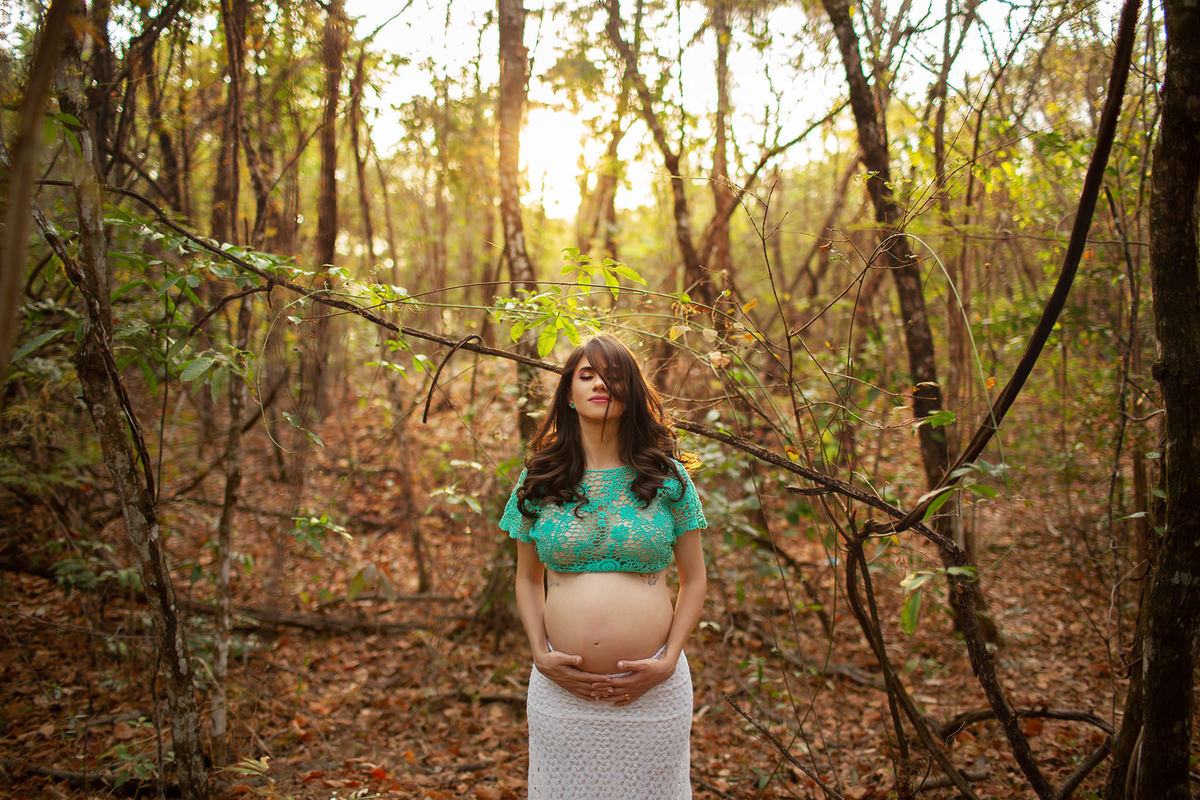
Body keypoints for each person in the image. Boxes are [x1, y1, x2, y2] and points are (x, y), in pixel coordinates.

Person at [499, 334, 708, 800]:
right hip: (561, 689)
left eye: (612, 375)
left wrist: (668, 660)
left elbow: (695, 581)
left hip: (654, 687)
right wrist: (539, 653)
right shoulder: (540, 477)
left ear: (631, 389)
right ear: (568, 395)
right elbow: (527, 578)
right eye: (586, 375)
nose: (600, 384)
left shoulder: (666, 476)